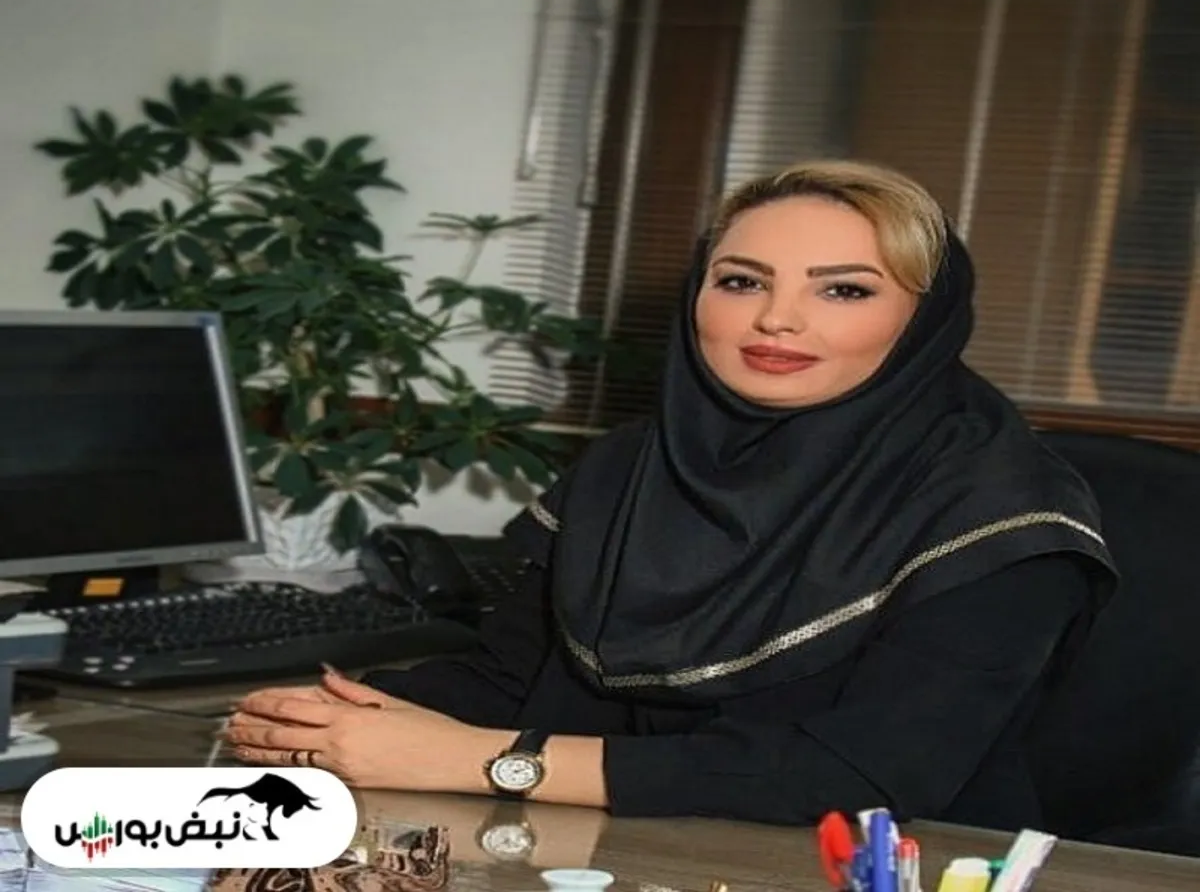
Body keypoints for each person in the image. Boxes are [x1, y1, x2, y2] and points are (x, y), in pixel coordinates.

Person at [225, 159, 1117, 831]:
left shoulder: (1001, 514)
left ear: (924, 321)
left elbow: (858, 774)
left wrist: (488, 761)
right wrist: (332, 717)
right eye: (742, 281)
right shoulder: (630, 465)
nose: (776, 319)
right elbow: (512, 678)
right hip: (610, 844)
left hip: (879, 866)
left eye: (844, 290)